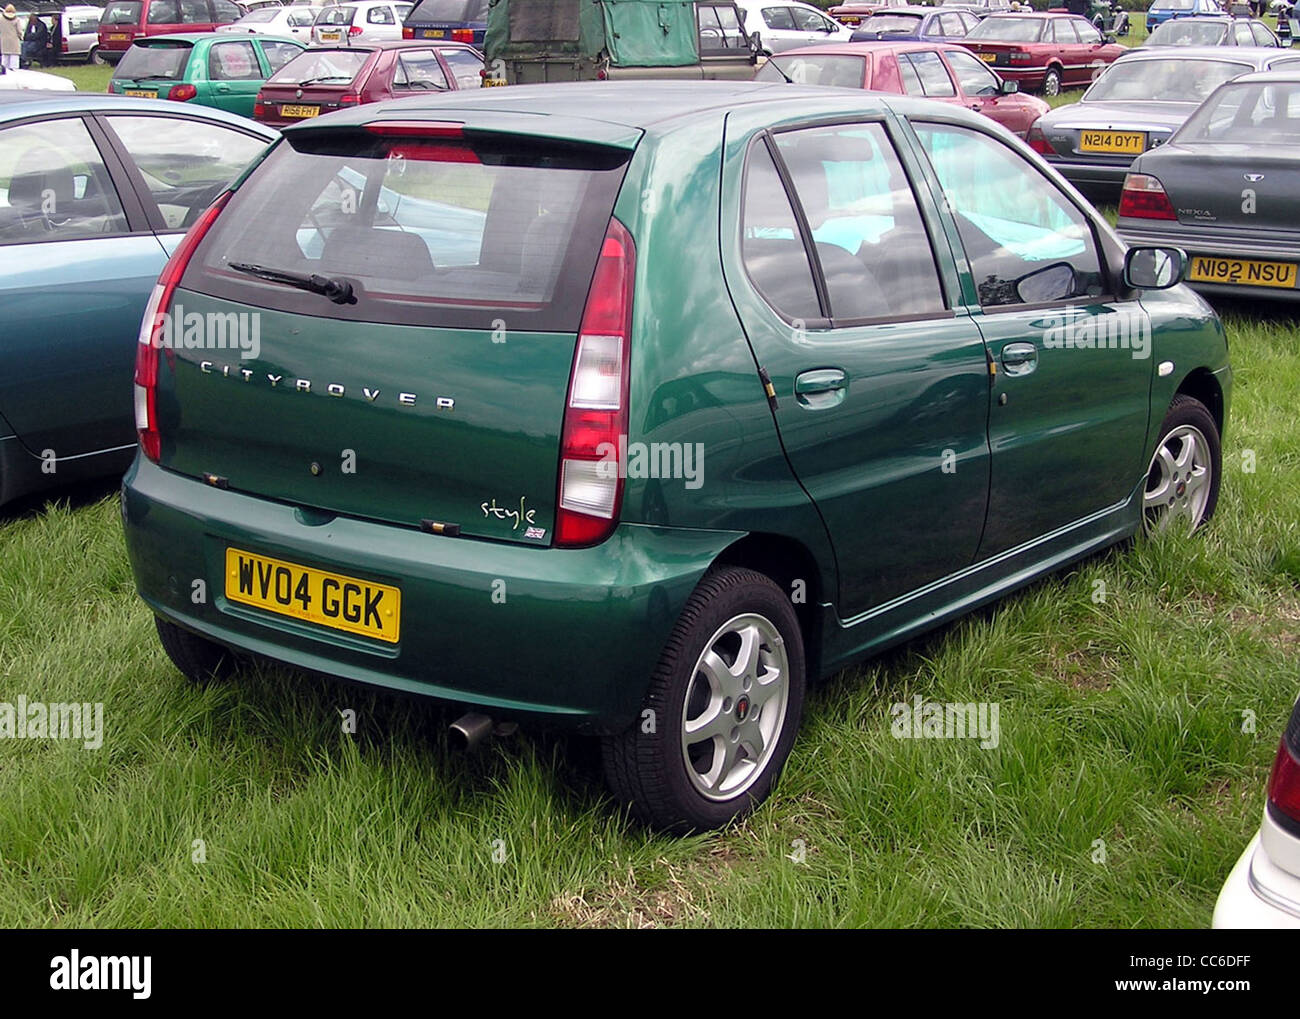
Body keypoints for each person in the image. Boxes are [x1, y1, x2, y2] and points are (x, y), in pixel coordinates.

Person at [0, 5, 22, 73]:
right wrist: (21, 37)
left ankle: (4, 72)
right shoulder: (17, 19)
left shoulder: (1, 19)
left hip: (4, 41)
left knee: (5, 58)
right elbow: (19, 31)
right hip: (14, 41)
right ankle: (14, 73)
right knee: (14, 59)